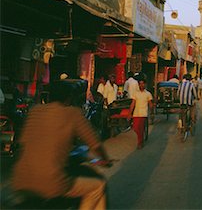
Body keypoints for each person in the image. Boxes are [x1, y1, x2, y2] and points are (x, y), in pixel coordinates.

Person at [12, 80, 111, 210]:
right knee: (98, 186)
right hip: (51, 183)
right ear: (70, 97)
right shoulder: (73, 113)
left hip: (20, 180)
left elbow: (24, 142)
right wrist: (105, 159)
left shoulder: (35, 111)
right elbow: (96, 145)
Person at [129, 78, 153, 150]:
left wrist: (152, 112)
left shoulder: (148, 94)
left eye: (143, 83)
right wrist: (130, 113)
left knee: (141, 129)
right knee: (135, 128)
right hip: (136, 113)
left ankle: (140, 143)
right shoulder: (135, 93)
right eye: (140, 83)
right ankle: (140, 139)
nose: (141, 85)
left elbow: (150, 104)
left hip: (143, 114)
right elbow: (133, 103)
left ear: (145, 84)